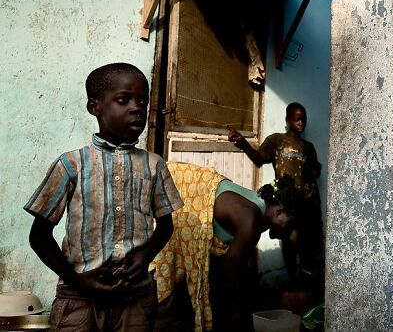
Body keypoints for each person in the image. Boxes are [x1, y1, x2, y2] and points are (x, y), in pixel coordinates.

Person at [25, 63, 184, 332]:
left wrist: (145, 256)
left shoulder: (154, 166)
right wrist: (77, 280)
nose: (137, 108)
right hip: (79, 300)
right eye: (124, 100)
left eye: (142, 101)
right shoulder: (72, 164)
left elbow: (165, 226)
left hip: (136, 297)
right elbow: (39, 236)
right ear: (94, 107)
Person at [151, 162, 305, 332]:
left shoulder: (256, 208)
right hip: (172, 192)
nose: (289, 233)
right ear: (280, 212)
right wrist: (246, 307)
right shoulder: (250, 220)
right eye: (290, 225)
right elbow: (229, 271)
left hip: (170, 183)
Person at [227, 103, 323, 288]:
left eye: (303, 119)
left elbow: (315, 170)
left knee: (306, 243)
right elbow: (258, 159)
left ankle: (305, 287)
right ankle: (293, 282)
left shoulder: (307, 147)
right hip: (286, 203)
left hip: (306, 204)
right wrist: (244, 144)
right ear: (287, 120)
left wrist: (312, 180)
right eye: (296, 119)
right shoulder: (276, 141)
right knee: (289, 241)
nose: (300, 123)